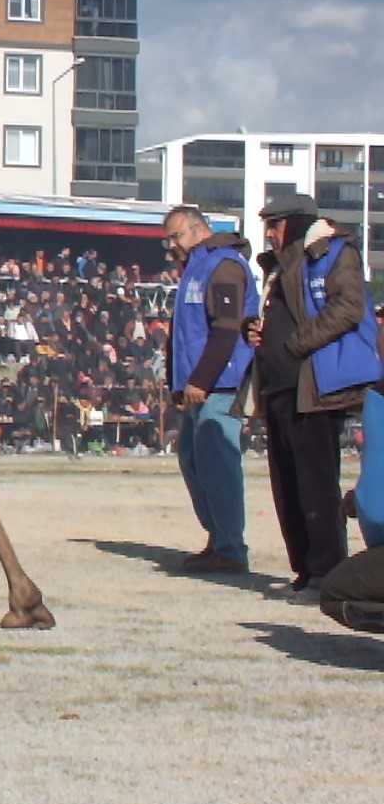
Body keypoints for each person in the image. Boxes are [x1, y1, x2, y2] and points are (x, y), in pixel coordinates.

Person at [243, 193, 381, 603]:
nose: (268, 232)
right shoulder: (278, 268)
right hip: (281, 389)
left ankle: (327, 575)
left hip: (316, 390)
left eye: (275, 222)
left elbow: (349, 307)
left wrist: (295, 343)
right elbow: (280, 319)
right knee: (287, 488)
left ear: (298, 221)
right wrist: (256, 331)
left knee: (317, 486)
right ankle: (305, 571)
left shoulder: (335, 253)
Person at [161, 205, 258, 574]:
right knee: (191, 458)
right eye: (167, 240)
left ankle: (231, 547)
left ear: (200, 230)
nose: (171, 246)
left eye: (176, 236)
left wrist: (201, 380)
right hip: (198, 386)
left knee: (218, 463)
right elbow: (184, 335)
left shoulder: (225, 265)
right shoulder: (195, 269)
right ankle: (218, 538)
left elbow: (226, 330)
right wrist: (179, 384)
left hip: (221, 384)